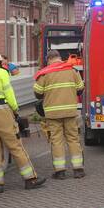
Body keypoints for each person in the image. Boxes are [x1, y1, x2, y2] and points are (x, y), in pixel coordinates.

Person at [0, 45, 46, 193]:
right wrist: (15, 110)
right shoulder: (0, 73)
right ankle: (30, 178)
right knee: (15, 145)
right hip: (1, 111)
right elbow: (9, 94)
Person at [34, 49, 85, 179]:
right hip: (70, 111)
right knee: (73, 139)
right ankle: (78, 169)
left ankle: (60, 171)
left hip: (52, 113)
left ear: (48, 59)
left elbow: (38, 93)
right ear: (59, 58)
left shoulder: (44, 74)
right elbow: (80, 88)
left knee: (57, 141)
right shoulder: (72, 71)